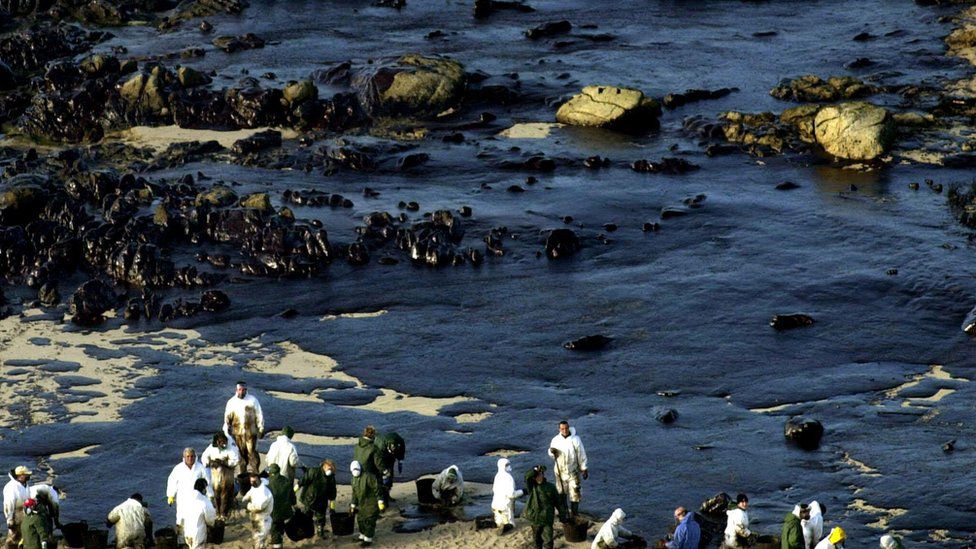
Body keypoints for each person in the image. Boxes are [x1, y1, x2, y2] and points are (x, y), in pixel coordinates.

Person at [547, 420, 588, 517]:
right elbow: (551, 453)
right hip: (560, 472)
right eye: (562, 429)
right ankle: (564, 513)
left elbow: (581, 454)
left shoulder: (576, 440)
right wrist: (552, 452)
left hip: (573, 471)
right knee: (561, 492)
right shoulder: (556, 440)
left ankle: (574, 513)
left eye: (566, 428)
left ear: (569, 428)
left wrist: (584, 468)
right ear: (559, 429)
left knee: (575, 492)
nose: (564, 430)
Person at [166, 448, 211, 534]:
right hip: (183, 498)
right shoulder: (178, 469)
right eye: (188, 456)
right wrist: (171, 495)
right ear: (184, 457)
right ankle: (181, 540)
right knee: (181, 518)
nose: (190, 458)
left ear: (195, 457)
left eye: (192, 456)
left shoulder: (200, 467)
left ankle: (196, 536)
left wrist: (210, 495)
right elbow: (172, 481)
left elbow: (207, 482)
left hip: (198, 498)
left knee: (197, 518)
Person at [522, 464, 568, 549]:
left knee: (548, 540)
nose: (538, 477)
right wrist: (535, 471)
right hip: (535, 518)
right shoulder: (532, 487)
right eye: (536, 476)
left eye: (540, 475)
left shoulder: (550, 487)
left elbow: (558, 503)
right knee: (537, 540)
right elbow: (527, 477)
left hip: (547, 518)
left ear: (543, 475)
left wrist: (563, 516)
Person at [224, 381, 264, 475]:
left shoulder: (253, 401)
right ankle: (243, 474)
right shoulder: (231, 402)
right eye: (239, 390)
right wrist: (226, 431)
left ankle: (255, 473)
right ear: (236, 390)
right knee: (241, 455)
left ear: (246, 390)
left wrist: (261, 428)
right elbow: (227, 419)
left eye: (243, 390)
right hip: (237, 434)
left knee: (252, 453)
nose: (241, 392)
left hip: (251, 433)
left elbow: (259, 415)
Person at [201, 431, 240, 520]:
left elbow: (235, 460)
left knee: (225, 494)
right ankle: (217, 512)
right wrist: (210, 463)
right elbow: (204, 458)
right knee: (216, 494)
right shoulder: (211, 448)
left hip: (227, 472)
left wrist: (223, 462)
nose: (223, 444)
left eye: (224, 442)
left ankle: (223, 514)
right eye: (221, 442)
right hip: (215, 474)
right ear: (217, 442)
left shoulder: (232, 447)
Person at [298, 459, 337, 538]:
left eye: (332, 469)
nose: (330, 470)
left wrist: (332, 508)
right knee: (307, 516)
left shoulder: (331, 478)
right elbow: (303, 481)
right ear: (324, 466)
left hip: (321, 502)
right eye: (329, 468)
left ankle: (320, 532)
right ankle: (306, 531)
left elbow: (332, 494)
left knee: (321, 518)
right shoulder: (314, 472)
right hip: (309, 499)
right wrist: (294, 491)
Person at [350, 460, 384, 547]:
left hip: (371, 503)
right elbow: (354, 493)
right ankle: (362, 536)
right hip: (362, 503)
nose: (355, 471)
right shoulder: (353, 480)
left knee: (369, 521)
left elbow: (377, 489)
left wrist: (380, 501)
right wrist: (353, 505)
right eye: (354, 470)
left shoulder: (369, 477)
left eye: (357, 469)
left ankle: (368, 539)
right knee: (360, 519)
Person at [490, 458, 523, 536]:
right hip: (505, 507)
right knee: (511, 524)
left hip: (495, 505)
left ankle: (484, 524)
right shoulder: (508, 478)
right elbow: (511, 494)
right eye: (507, 465)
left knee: (498, 522)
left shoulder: (497, 476)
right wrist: (522, 491)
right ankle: (504, 528)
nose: (508, 466)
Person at [180, 478, 216, 549]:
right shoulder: (205, 502)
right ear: (203, 489)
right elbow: (210, 520)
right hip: (198, 535)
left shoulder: (186, 499)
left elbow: (182, 518)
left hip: (187, 533)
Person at [242, 471, 273, 549]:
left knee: (259, 540)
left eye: (254, 481)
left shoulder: (264, 492)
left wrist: (247, 506)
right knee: (256, 539)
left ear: (259, 480)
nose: (252, 483)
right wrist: (245, 499)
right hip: (256, 519)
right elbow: (248, 495)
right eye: (251, 481)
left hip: (263, 521)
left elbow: (259, 507)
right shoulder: (255, 487)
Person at [267, 464, 295, 549]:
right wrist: (293, 503)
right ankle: (279, 540)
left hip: (272, 512)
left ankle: (277, 545)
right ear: (279, 471)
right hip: (285, 511)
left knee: (274, 529)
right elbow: (292, 496)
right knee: (280, 525)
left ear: (270, 472)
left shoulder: (267, 482)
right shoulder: (286, 480)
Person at [3, 465, 31, 549]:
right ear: (20, 475)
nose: (28, 476)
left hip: (24, 515)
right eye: (26, 475)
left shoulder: (25, 485)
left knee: (23, 537)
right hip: (15, 516)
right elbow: (9, 504)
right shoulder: (11, 487)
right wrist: (10, 519)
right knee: (13, 538)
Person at [353, 427, 386, 495]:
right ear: (373, 434)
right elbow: (378, 463)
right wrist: (385, 471)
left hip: (358, 473)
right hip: (370, 475)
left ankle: (355, 503)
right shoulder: (374, 448)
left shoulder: (357, 447)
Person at [374, 431, 405, 502]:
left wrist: (400, 460)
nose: (393, 453)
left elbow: (402, 449)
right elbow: (378, 461)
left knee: (390, 474)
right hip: (379, 456)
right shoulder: (380, 445)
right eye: (391, 451)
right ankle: (379, 496)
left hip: (390, 457)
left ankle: (387, 495)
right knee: (380, 476)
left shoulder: (399, 441)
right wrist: (384, 471)